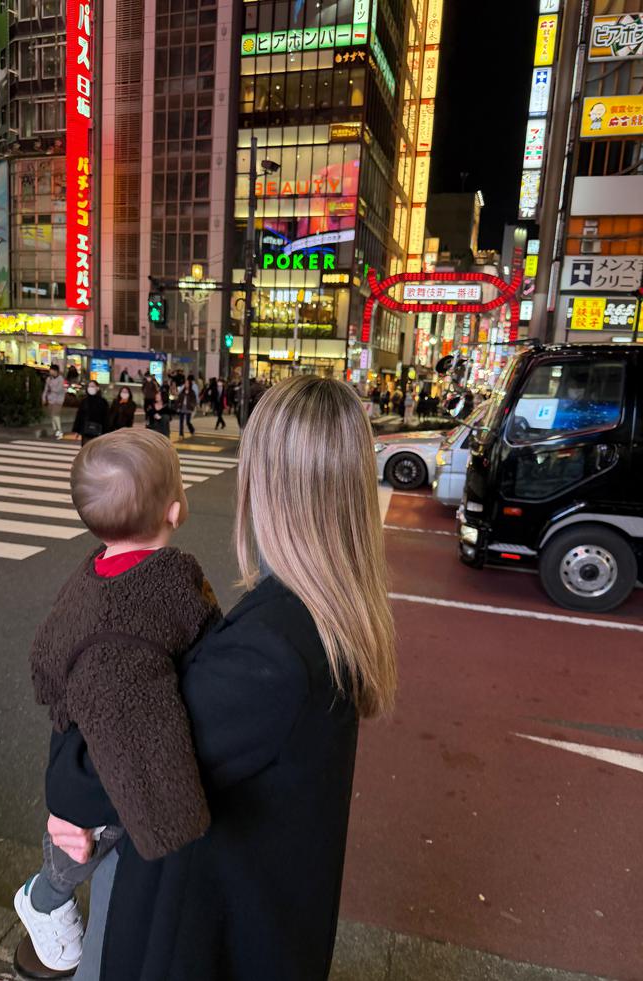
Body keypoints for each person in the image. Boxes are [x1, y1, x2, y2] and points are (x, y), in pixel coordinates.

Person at [45, 376, 398, 981]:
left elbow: (86, 780)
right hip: (262, 924)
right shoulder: (321, 614)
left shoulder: (272, 653)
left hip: (201, 942)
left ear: (267, 488)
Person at [13, 430, 220, 973]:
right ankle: (42, 902)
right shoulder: (165, 594)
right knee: (81, 849)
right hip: (105, 773)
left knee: (72, 840)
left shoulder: (95, 570)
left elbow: (50, 647)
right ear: (176, 508)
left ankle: (49, 892)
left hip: (76, 742)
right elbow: (142, 735)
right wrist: (173, 824)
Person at [42, 364, 66, 441]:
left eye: (51, 370)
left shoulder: (61, 379)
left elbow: (58, 390)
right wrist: (43, 398)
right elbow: (46, 389)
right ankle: (55, 431)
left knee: (56, 415)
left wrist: (51, 389)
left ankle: (59, 431)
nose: (50, 371)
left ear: (55, 371)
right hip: (51, 399)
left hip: (58, 400)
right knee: (52, 416)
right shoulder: (49, 379)